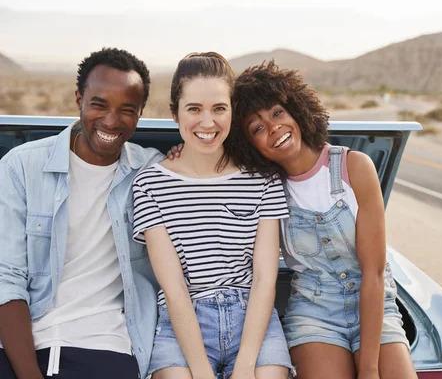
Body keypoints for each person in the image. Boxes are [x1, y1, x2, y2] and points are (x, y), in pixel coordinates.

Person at [232, 61, 418, 379]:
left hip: (374, 303)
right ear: (250, 146)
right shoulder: (265, 190)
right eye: (257, 127)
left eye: (277, 112)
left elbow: (373, 272)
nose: (273, 127)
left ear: (296, 110)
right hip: (313, 311)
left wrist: (370, 369)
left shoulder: (354, 167)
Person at [0, 48, 165, 378]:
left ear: (141, 112)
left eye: (126, 110)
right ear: (79, 98)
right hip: (20, 341)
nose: (110, 121)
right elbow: (8, 279)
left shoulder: (153, 172)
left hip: (105, 344)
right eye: (99, 104)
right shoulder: (22, 167)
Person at [132, 52, 293, 379]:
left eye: (219, 108)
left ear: (233, 111)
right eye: (194, 109)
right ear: (175, 113)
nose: (208, 123)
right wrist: (202, 372)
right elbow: (174, 286)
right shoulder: (149, 184)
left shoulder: (262, 179)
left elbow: (264, 278)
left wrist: (246, 366)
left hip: (253, 318)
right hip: (183, 320)